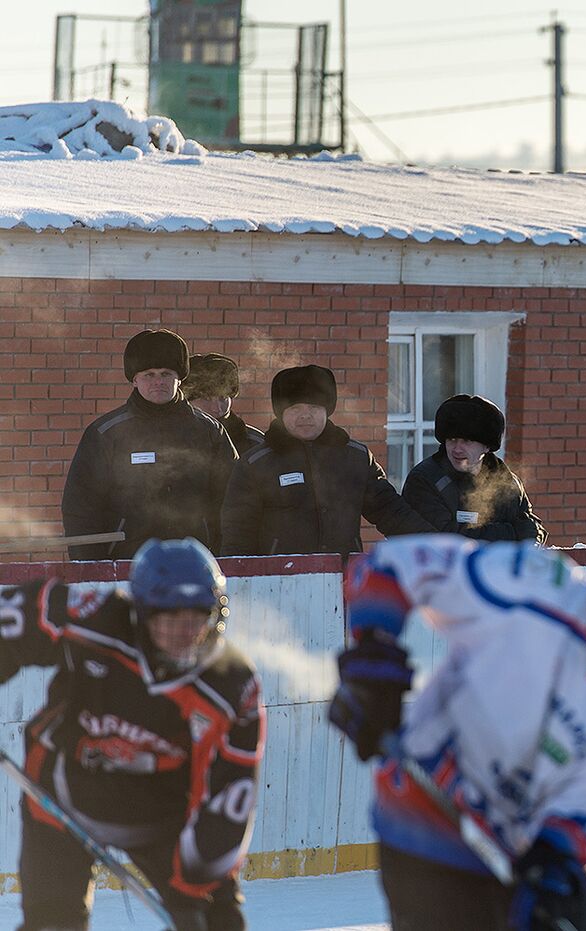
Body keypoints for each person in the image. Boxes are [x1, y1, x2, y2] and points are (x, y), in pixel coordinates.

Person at [328, 527, 586, 930]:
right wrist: (372, 663)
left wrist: (554, 857)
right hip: (423, 819)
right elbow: (391, 565)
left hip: (513, 852)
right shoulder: (534, 586)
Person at [0, 538, 264, 931]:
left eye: (196, 616)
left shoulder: (233, 686)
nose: (184, 631)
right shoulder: (97, 619)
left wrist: (193, 891)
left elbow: (228, 800)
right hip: (65, 794)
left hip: (164, 814)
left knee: (218, 923)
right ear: (140, 613)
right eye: (168, 617)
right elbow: (16, 620)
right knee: (51, 924)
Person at [220, 364, 433, 555]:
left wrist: (436, 544)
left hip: (341, 580)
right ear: (281, 413)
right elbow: (238, 532)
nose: (305, 416)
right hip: (278, 584)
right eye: (295, 409)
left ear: (327, 410)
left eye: (313, 408)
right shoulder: (256, 464)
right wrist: (241, 582)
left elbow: (391, 512)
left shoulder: (356, 458)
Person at [61, 328, 237, 560]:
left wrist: (223, 554)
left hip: (196, 563)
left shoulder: (208, 431)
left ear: (180, 377)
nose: (158, 382)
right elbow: (81, 505)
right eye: (149, 375)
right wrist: (90, 566)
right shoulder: (106, 433)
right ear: (134, 380)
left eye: (166, 374)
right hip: (125, 563)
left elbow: (235, 500)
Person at [401, 394, 547, 545]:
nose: (457, 449)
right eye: (452, 440)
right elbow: (444, 538)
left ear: (486, 446)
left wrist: (530, 541)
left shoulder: (506, 482)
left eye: (467, 441)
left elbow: (532, 528)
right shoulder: (425, 479)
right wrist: (510, 533)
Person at [184, 352, 266, 455]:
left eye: (223, 398)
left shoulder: (256, 444)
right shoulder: (171, 437)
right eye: (206, 399)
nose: (217, 408)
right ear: (187, 400)